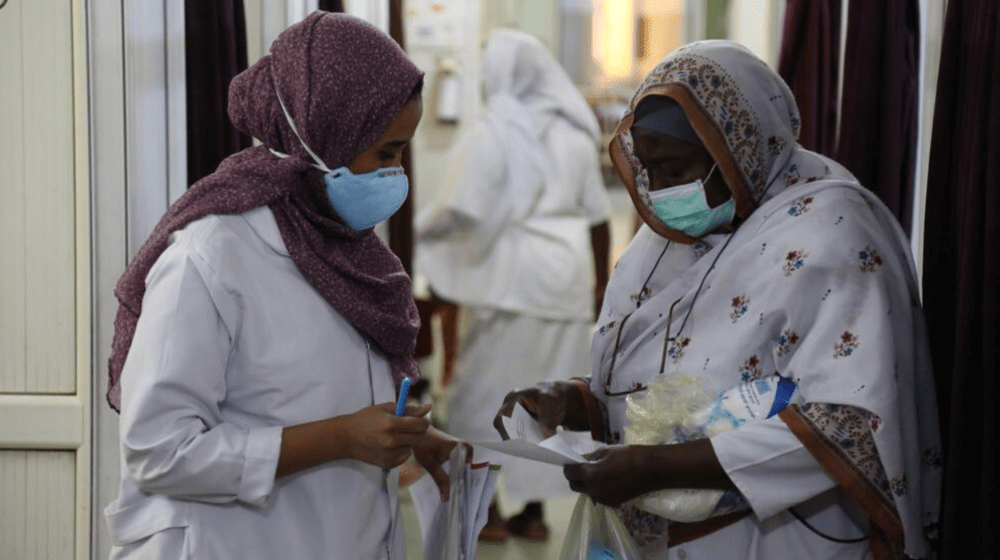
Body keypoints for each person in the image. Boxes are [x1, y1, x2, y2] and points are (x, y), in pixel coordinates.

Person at [495, 41, 942, 559]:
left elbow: (853, 426)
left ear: (740, 147)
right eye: (648, 169)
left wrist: (658, 467)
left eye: (675, 169)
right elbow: (654, 382)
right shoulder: (664, 242)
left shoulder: (833, 237)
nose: (657, 191)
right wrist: (570, 399)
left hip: (776, 537)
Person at [102, 13, 460, 559]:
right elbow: (160, 451)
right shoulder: (213, 255)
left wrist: (405, 438)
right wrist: (340, 437)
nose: (396, 173)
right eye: (385, 153)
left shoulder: (349, 249)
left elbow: (315, 389)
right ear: (326, 135)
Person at [415, 29, 612, 541]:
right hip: (565, 277)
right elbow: (597, 217)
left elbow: (465, 204)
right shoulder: (575, 129)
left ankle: (492, 510)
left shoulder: (497, 128)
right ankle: (535, 513)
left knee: (487, 393)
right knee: (555, 397)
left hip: (510, 278)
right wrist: (599, 282)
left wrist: (421, 232)